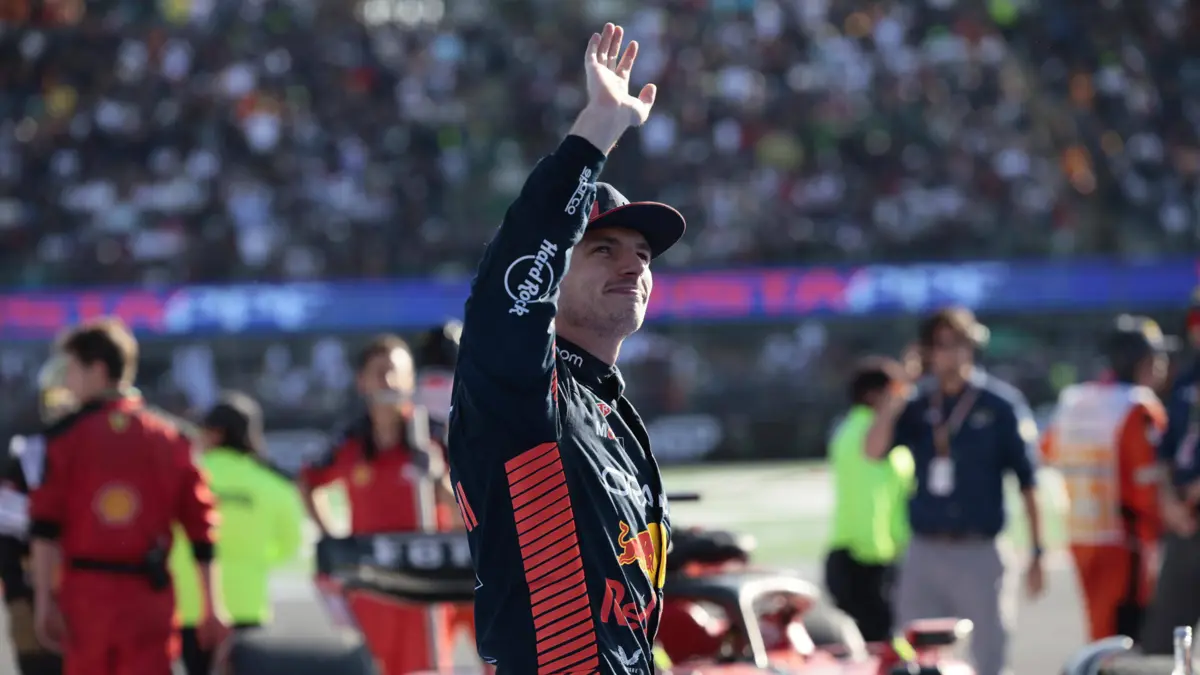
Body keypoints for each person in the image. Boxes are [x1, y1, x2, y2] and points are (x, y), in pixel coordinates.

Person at [447, 23, 685, 674]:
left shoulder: (613, 409)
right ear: (551, 275)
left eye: (643, 254)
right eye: (603, 249)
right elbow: (518, 267)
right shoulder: (520, 389)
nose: (633, 265)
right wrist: (597, 130)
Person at [26, 318, 228, 675]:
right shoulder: (172, 438)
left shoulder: (63, 439)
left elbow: (44, 527)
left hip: (85, 599)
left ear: (97, 370)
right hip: (148, 597)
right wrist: (213, 606)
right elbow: (202, 532)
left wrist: (44, 600)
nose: (68, 382)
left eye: (72, 370)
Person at [864, 307, 1045, 675]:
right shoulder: (916, 404)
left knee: (989, 658)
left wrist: (1037, 551)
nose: (949, 353)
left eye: (957, 343)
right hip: (925, 549)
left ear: (972, 346)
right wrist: (901, 387)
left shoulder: (1000, 405)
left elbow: (1029, 482)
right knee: (910, 657)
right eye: (939, 345)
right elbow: (872, 450)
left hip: (979, 550)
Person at [297, 334, 460, 675]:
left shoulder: (434, 437)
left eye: (396, 372)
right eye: (379, 372)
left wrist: (436, 477)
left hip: (424, 587)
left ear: (411, 380)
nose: (388, 381)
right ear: (362, 382)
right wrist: (333, 537)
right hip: (373, 586)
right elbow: (309, 481)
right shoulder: (350, 441)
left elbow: (467, 511)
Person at [1041, 315, 1169, 641]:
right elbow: (1149, 482)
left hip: (1081, 534)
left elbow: (1047, 451)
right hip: (1126, 539)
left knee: (1100, 630)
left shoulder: (1074, 400)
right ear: (1140, 361)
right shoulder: (1139, 407)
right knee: (1125, 636)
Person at [170, 391, 304, 675]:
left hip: (191, 606)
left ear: (215, 433)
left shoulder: (187, 478)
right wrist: (253, 559)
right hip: (249, 604)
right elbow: (291, 544)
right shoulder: (275, 486)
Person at [825, 357, 915, 642]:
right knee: (882, 647)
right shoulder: (866, 434)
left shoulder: (852, 429)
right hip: (865, 561)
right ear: (873, 395)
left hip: (867, 557)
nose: (904, 397)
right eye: (896, 390)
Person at [0, 355, 76, 675]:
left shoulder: (108, 452)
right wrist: (17, 592)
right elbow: (6, 526)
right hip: (34, 590)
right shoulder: (27, 455)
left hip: (94, 594)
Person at [1141, 292, 1200, 654]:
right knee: (1164, 642)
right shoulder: (1184, 381)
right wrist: (1169, 502)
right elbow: (1164, 453)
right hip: (1185, 525)